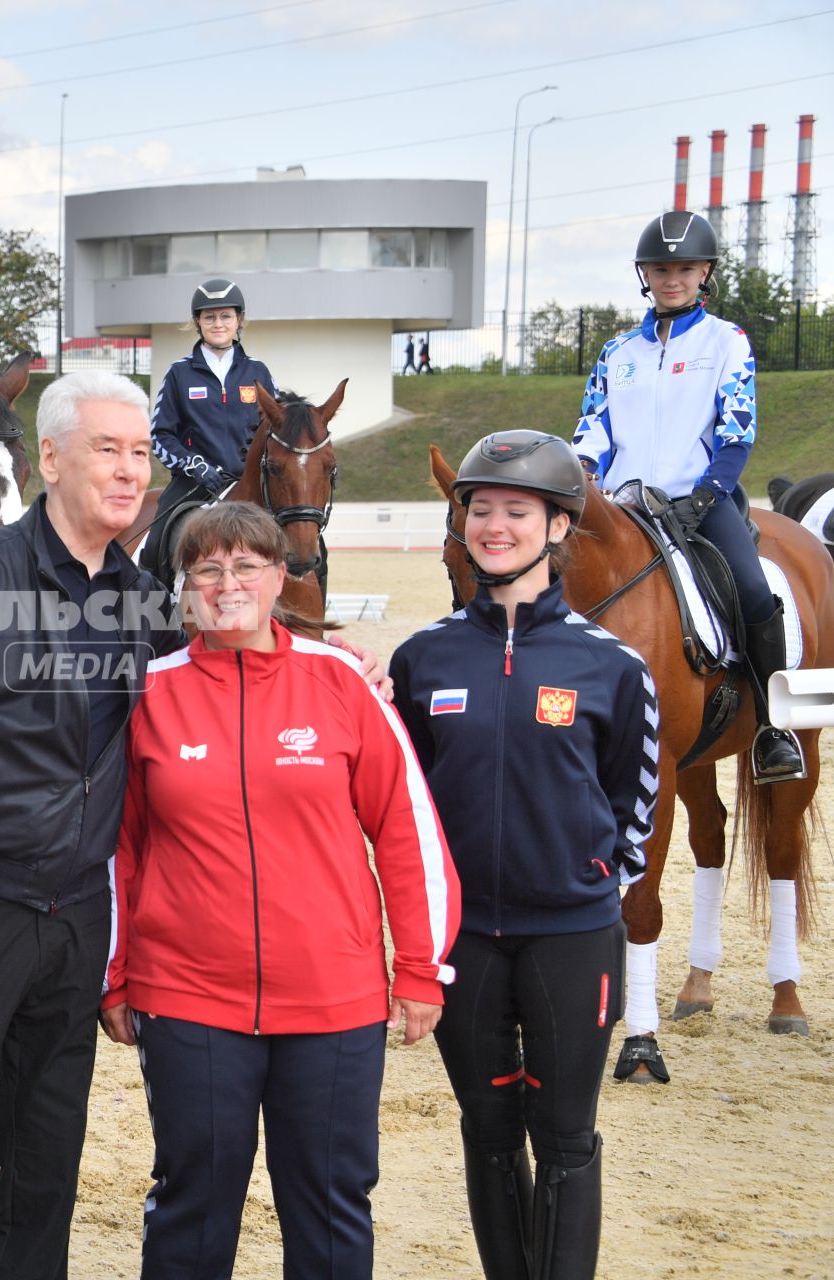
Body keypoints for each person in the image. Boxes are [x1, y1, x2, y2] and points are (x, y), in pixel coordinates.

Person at [0, 372, 383, 1280]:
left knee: (47, 1163)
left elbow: (233, 652)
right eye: (108, 450)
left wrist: (331, 654)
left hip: (76, 921)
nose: (131, 471)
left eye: (140, 453)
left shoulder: (142, 599)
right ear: (49, 459)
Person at [102, 501, 459, 1280]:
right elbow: (117, 852)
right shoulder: (147, 695)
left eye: (247, 566)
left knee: (331, 1202)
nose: (228, 583)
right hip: (188, 997)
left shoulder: (342, 682)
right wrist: (116, 975)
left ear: (280, 577)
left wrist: (421, 968)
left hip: (334, 999)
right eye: (208, 568)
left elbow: (407, 831)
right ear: (185, 589)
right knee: (192, 1200)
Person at [389, 431, 658, 1280]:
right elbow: (409, 806)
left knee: (567, 1137)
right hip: (464, 943)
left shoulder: (612, 667)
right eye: (481, 510)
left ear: (557, 527)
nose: (495, 526)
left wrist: (583, 887)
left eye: (517, 511)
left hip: (572, 940)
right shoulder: (423, 659)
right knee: (490, 1131)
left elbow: (635, 807)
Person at [572, 208, 801, 783]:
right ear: (644, 275)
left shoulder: (728, 341)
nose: (672, 278)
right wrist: (582, 473)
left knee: (752, 589)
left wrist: (707, 493)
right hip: (623, 504)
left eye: (685, 268)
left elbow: (736, 429)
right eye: (660, 268)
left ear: (705, 274)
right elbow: (593, 426)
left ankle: (773, 728)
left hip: (700, 501)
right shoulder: (616, 352)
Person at [143, 278, 278, 582]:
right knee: (155, 546)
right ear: (198, 322)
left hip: (253, 487)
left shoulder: (259, 372)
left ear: (239, 320)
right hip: (197, 484)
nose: (218, 324)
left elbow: (279, 430)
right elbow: (161, 436)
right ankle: (158, 617)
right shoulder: (179, 373)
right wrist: (192, 463)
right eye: (209, 317)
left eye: (226, 316)